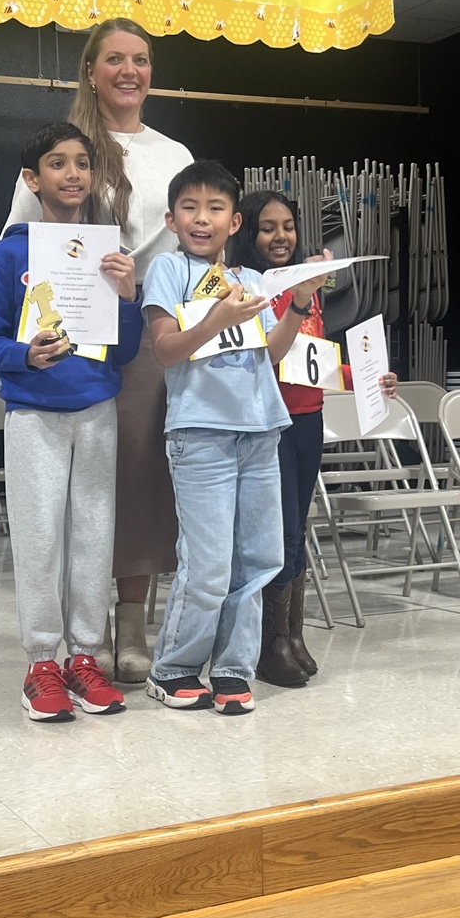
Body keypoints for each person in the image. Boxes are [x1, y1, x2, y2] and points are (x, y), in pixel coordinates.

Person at [0, 18, 193, 683]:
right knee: (66, 504)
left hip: (143, 324)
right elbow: (19, 240)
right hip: (66, 346)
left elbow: (195, 242)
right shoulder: (67, 146)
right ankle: (72, 639)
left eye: (142, 60)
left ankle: (128, 628)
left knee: (137, 483)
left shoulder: (173, 152)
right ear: (91, 72)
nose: (130, 71)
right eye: (115, 60)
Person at [142, 161, 335, 715]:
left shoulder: (250, 280)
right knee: (207, 561)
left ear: (234, 222)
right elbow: (164, 350)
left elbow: (271, 354)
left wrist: (299, 302)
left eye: (216, 208)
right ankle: (174, 667)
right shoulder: (166, 270)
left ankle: (232, 668)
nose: (202, 219)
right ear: (172, 220)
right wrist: (214, 320)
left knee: (261, 556)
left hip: (261, 431)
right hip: (201, 433)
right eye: (190, 208)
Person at [0, 121, 143, 722]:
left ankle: (84, 657)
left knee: (94, 535)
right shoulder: (8, 253)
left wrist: (125, 298)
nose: (71, 174)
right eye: (56, 163)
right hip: (33, 415)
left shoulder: (110, 254)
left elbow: (124, 351)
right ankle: (41, 662)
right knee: (40, 535)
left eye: (81, 163)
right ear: (31, 178)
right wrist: (26, 354)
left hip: (96, 410)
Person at [227, 191, 397, 688]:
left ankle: (291, 633)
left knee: (296, 527)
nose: (280, 236)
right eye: (266, 227)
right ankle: (267, 643)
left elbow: (313, 361)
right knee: (276, 533)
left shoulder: (310, 285)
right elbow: (266, 357)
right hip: (269, 422)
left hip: (309, 419)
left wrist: (369, 377)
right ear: (247, 234)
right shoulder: (248, 286)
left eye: (288, 226)